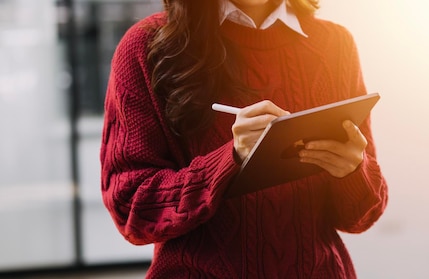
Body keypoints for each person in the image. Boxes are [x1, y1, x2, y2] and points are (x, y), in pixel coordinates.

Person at [100, 0, 388, 277]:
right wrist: (230, 159)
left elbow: (362, 214)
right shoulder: (147, 46)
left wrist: (352, 170)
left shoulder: (335, 44)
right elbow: (130, 209)